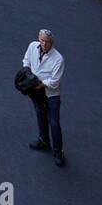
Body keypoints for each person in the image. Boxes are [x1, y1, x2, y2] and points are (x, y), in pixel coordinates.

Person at [24, 28, 66, 167]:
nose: (44, 44)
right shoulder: (32, 46)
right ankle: (44, 141)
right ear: (38, 38)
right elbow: (26, 62)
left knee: (54, 122)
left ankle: (58, 151)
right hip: (36, 91)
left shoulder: (58, 59)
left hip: (51, 94)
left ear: (52, 43)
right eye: (42, 40)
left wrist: (39, 84)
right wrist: (28, 76)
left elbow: (54, 82)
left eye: (47, 42)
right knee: (40, 115)